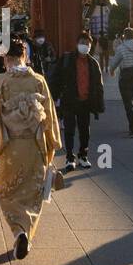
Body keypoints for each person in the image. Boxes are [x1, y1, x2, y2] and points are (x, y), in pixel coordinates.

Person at [0, 38, 61, 259]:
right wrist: (52, 142)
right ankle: (26, 230)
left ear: (5, 58)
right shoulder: (38, 81)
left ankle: (18, 230)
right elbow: (50, 115)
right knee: (32, 192)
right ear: (25, 56)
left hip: (11, 146)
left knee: (8, 191)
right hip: (35, 145)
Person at [50, 30, 104, 171]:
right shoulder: (67, 59)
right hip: (69, 100)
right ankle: (69, 157)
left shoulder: (93, 64)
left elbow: (99, 85)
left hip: (86, 101)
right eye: (82, 43)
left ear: (91, 46)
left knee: (85, 130)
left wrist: (99, 104)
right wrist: (53, 97)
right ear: (77, 44)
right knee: (69, 130)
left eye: (87, 44)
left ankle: (83, 155)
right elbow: (57, 78)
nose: (84, 46)